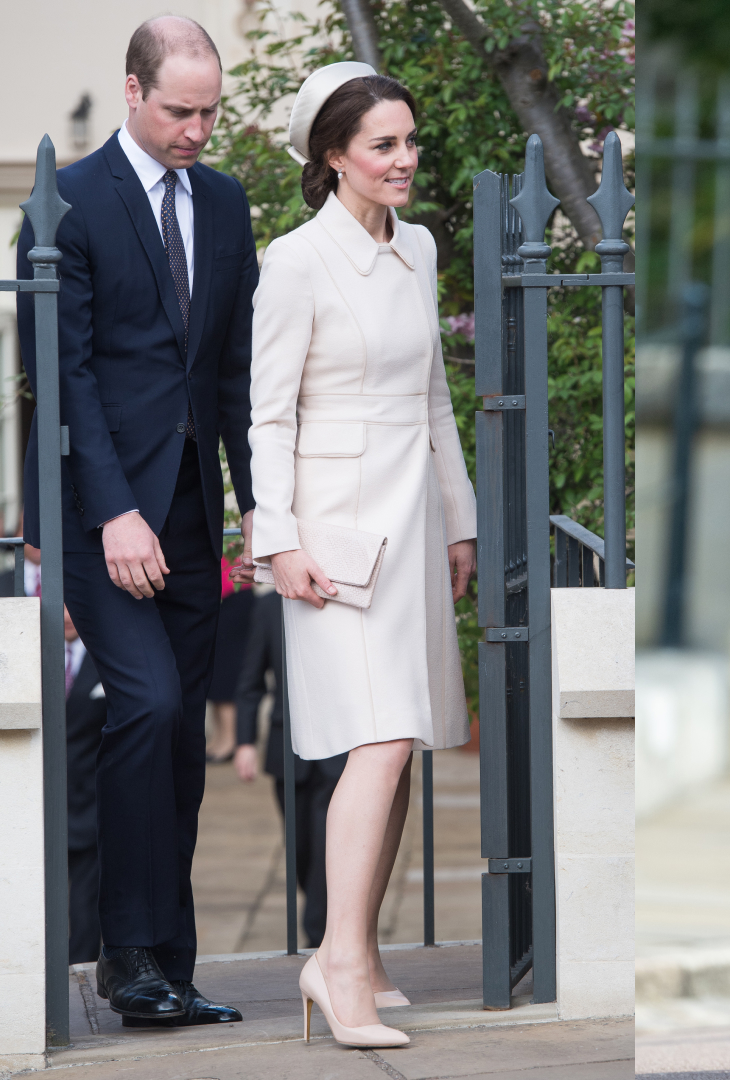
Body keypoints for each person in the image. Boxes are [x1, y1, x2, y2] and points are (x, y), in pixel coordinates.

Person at [18, 15, 257, 1028]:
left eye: (210, 113)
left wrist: (260, 505)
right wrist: (114, 512)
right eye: (178, 111)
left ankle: (167, 964)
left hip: (195, 518)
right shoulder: (69, 203)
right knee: (149, 706)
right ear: (132, 90)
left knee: (179, 742)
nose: (197, 130)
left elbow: (234, 373)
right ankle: (122, 951)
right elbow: (62, 377)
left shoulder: (226, 202)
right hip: (97, 515)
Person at [249, 62, 477, 1049]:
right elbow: (266, 415)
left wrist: (460, 519)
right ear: (334, 155)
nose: (405, 158)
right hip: (334, 534)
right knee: (377, 740)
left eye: (409, 140)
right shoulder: (295, 260)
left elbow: (434, 399)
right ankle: (334, 965)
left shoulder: (417, 247)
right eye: (384, 144)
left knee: (403, 739)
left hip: (414, 519)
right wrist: (277, 540)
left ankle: (366, 955)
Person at [232, 586, 347, 948]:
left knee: (329, 848)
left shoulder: (343, 598)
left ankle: (320, 939)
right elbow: (250, 679)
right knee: (300, 852)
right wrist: (245, 741)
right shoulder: (268, 607)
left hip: (340, 745)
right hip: (288, 750)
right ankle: (323, 921)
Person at [62, 606, 107, 967]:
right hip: (39, 802)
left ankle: (80, 970)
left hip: (91, 800)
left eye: (71, 605)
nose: (65, 615)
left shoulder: (107, 655)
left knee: (87, 899)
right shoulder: (31, 656)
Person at [204, 554, 256, 762]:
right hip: (220, 595)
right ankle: (220, 737)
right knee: (216, 670)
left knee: (225, 670)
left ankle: (230, 740)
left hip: (233, 594)